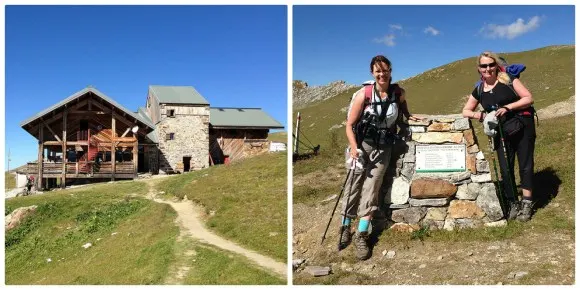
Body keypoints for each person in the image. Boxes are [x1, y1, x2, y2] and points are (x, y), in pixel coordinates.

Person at [341, 55, 421, 260]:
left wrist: (409, 115)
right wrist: (353, 147)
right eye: (378, 71)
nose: (382, 74)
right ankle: (344, 226)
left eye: (385, 70)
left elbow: (403, 108)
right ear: (372, 73)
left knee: (372, 189)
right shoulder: (364, 94)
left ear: (390, 71)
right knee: (353, 185)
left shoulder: (397, 92)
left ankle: (361, 234)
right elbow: (349, 124)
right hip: (361, 145)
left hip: (383, 147)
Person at [462, 51, 536, 222]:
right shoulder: (479, 89)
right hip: (501, 131)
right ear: (479, 69)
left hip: (522, 126)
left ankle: (527, 202)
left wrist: (508, 107)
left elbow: (528, 98)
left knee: (525, 164)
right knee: (505, 168)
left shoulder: (509, 79)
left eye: (490, 64)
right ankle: (513, 202)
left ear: (496, 65)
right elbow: (466, 110)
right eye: (483, 66)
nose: (488, 68)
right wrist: (480, 116)